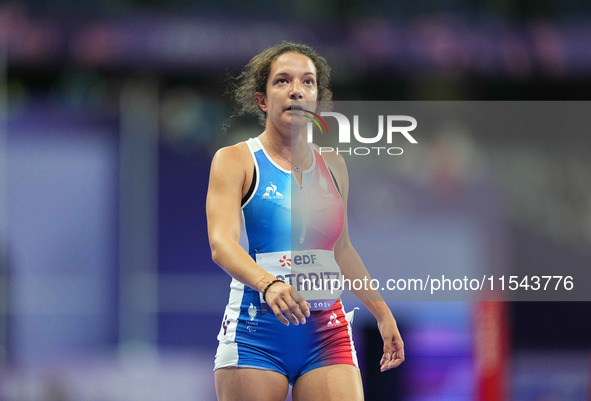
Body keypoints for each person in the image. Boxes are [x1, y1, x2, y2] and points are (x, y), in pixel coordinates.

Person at [206, 41, 404, 401]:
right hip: (257, 332)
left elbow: (341, 250)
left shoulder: (334, 165)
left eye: (308, 82)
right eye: (282, 81)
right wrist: (269, 284)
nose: (297, 89)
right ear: (262, 99)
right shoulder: (236, 160)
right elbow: (222, 245)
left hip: (326, 332)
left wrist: (381, 312)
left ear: (316, 98)